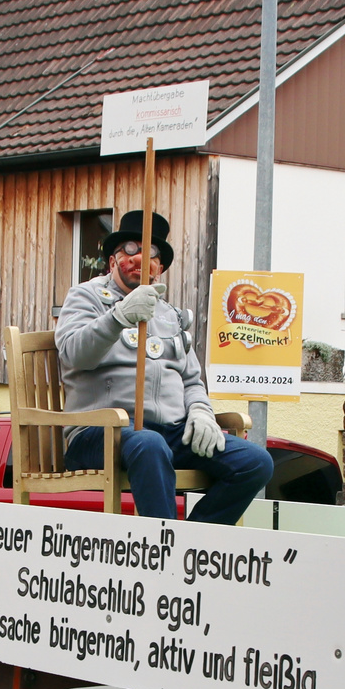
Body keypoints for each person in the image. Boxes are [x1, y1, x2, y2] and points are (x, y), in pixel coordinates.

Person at [55, 209, 273, 524]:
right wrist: (118, 317)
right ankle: (163, 549)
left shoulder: (168, 314)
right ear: (113, 259)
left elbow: (192, 379)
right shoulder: (85, 297)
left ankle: (193, 545)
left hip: (168, 432)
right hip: (101, 431)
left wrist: (201, 412)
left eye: (152, 253)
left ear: (160, 268)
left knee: (255, 462)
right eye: (131, 248)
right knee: (148, 443)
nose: (141, 258)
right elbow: (74, 355)